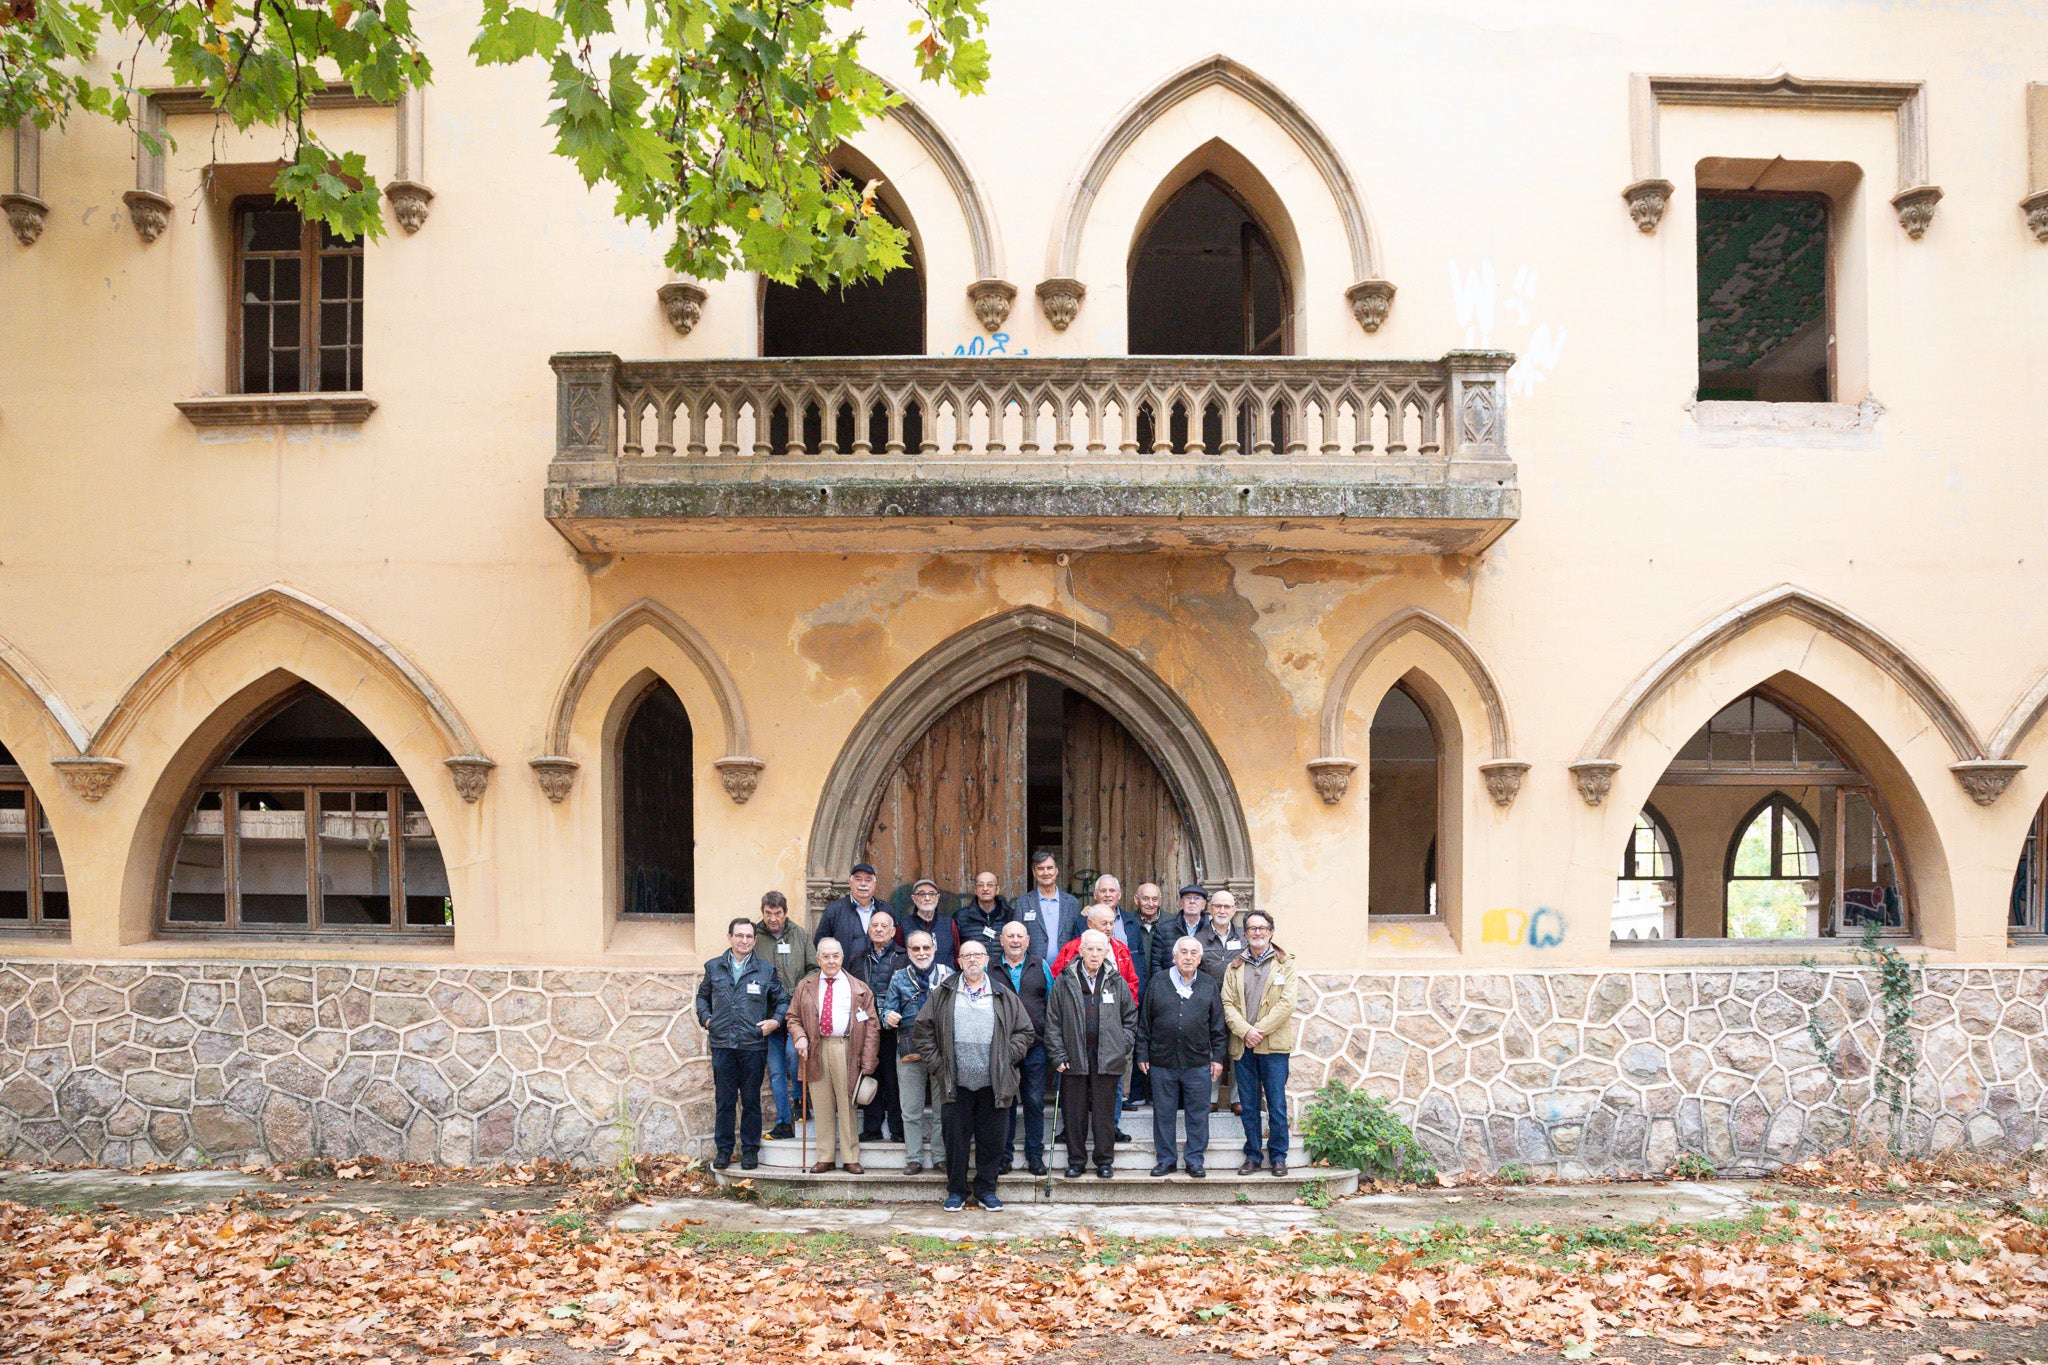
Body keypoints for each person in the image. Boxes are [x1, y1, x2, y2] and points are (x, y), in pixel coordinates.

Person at [912, 938, 1035, 1211]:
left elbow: (1025, 1032)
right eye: (966, 955)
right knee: (955, 1142)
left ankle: (986, 1190)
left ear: (987, 960)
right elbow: (922, 1031)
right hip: (955, 1082)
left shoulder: (1003, 993)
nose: (972, 960)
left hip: (994, 1083)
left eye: (977, 955)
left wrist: (1006, 1058)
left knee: (992, 1141)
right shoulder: (943, 993)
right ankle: (956, 1191)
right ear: (959, 961)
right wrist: (938, 1065)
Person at [694, 917, 790, 1171]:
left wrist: (775, 1022)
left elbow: (782, 1000)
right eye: (739, 936)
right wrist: (706, 1020)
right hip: (723, 1044)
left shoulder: (765, 970)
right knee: (724, 1100)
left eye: (749, 937)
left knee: (751, 1100)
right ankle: (724, 1151)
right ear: (730, 938)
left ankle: (750, 1151)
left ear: (754, 940)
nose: (744, 941)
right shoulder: (714, 967)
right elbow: (702, 997)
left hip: (752, 1046)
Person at [1045, 928, 1136, 1179]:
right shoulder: (1065, 980)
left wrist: (1121, 1048)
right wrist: (1058, 1054)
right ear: (1081, 951)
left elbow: (1130, 1019)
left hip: (1108, 1056)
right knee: (1074, 1113)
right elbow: (1052, 1021)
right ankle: (1076, 1161)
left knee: (1104, 1114)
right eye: (1090, 949)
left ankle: (1104, 1161)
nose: (1094, 954)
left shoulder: (1117, 980)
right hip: (1072, 1056)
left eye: (1099, 949)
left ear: (1106, 952)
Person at [1135, 935, 1226, 1177]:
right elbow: (1145, 1022)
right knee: (1163, 1113)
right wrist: (1142, 1052)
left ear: (1200, 958)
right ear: (1174, 956)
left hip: (1197, 1063)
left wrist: (1217, 1057)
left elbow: (1218, 1026)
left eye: (1193, 953)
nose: (1188, 957)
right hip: (1162, 1061)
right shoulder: (1158, 982)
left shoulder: (1208, 985)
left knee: (1198, 1114)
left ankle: (1194, 1159)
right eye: (1183, 952)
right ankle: (1166, 1160)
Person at [787, 937, 880, 1173]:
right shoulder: (805, 985)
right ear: (818, 959)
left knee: (848, 1102)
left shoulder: (858, 988)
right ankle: (825, 1156)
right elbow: (792, 1017)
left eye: (835, 955)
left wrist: (868, 1060)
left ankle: (850, 1157)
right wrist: (799, 1037)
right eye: (825, 956)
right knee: (821, 1103)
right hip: (816, 1048)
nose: (831, 960)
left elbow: (872, 1026)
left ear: (842, 957)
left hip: (847, 1048)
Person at [1222, 911, 1298, 1177]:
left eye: (1262, 928)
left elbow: (1287, 1003)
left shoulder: (1285, 964)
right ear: (1245, 933)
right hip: (1244, 1046)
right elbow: (1227, 1003)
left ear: (1271, 932)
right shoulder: (1234, 966)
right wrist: (1245, 1031)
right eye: (1252, 928)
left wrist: (1259, 1030)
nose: (1257, 932)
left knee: (1276, 1104)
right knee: (1249, 1104)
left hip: (1273, 1046)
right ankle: (1253, 1155)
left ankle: (1278, 1157)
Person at [882, 929, 953, 1175]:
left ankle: (940, 1156)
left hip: (942, 1050)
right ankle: (913, 1157)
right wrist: (888, 1016)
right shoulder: (899, 978)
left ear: (934, 948)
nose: (921, 953)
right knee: (910, 1109)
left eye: (925, 948)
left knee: (942, 1108)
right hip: (909, 1049)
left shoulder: (948, 975)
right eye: (916, 949)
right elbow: (886, 1012)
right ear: (908, 951)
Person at [992, 920, 1052, 1175]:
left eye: (1020, 936)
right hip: (1002, 1048)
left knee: (1034, 1102)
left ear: (1028, 941)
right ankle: (1004, 1156)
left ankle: (1035, 1156)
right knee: (1004, 1101)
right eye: (1010, 936)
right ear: (1001, 941)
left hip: (1035, 1046)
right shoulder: (990, 967)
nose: (1015, 941)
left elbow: (1052, 1003)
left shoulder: (1040, 965)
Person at [753, 891, 815, 1139]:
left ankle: (801, 1099)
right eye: (768, 914)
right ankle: (783, 1122)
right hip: (768, 1013)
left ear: (785, 913)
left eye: (778, 913)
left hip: (795, 1010)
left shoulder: (799, 935)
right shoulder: (755, 937)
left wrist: (799, 992)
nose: (773, 919)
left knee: (794, 1054)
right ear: (763, 913)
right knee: (776, 1070)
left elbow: (812, 968)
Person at [847, 910, 907, 1143]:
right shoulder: (857, 958)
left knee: (894, 1079)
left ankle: (897, 1128)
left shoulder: (904, 957)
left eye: (884, 926)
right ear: (869, 930)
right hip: (866, 1027)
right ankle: (871, 1127)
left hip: (895, 1028)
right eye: (875, 926)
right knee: (869, 1074)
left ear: (893, 932)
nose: (879, 929)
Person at [1127, 883, 1168, 1106]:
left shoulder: (1171, 922)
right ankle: (1135, 1092)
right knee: (1135, 1040)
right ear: (1136, 899)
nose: (1150, 903)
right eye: (1145, 899)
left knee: (1160, 1041)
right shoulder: (1127, 922)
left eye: (1154, 899)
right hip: (1136, 991)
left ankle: (1157, 1093)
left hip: (1163, 993)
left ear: (1160, 901)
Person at [815, 861, 887, 960]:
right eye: (858, 879)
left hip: (878, 973)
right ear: (850, 882)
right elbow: (820, 944)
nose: (863, 884)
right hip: (845, 973)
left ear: (874, 884)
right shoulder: (834, 910)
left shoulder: (885, 910)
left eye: (868, 880)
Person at [1016, 849, 1077, 961]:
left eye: (1049, 868)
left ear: (1056, 870)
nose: (1046, 873)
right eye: (1040, 869)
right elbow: (1017, 938)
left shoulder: (1071, 903)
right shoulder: (1023, 903)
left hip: (1066, 970)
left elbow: (1077, 937)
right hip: (1034, 969)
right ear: (1034, 872)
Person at [896, 878, 960, 965]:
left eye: (931, 894)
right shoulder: (903, 926)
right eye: (922, 894)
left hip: (946, 977)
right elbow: (899, 958)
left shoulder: (949, 924)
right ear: (914, 899)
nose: (927, 898)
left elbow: (957, 955)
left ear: (937, 898)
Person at [952, 870, 1012, 958]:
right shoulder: (961, 917)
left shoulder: (1009, 915)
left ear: (997, 889)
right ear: (975, 890)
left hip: (1003, 970)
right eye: (980, 885)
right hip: (973, 969)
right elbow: (955, 949)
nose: (985, 889)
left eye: (990, 885)